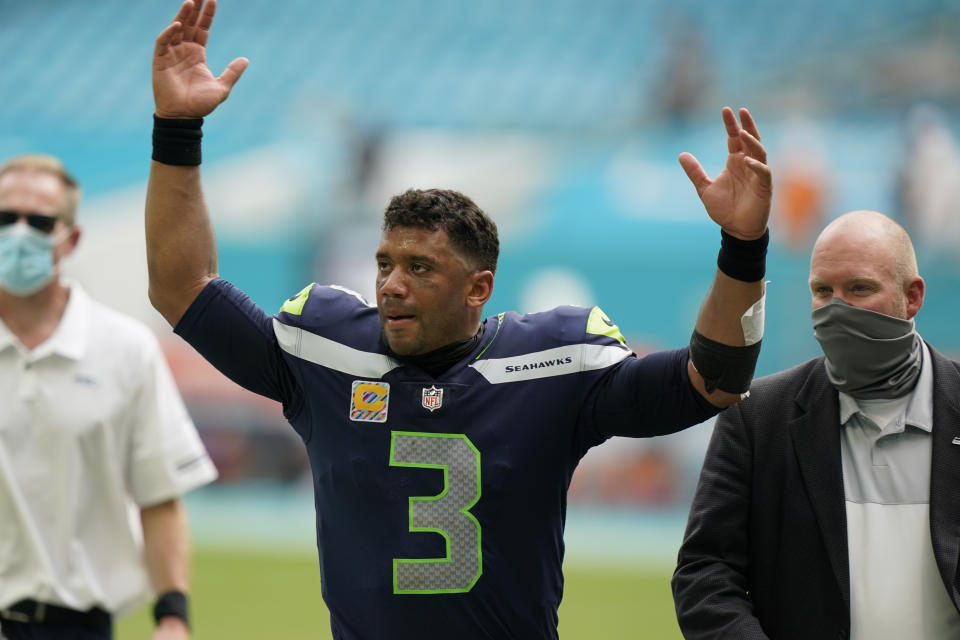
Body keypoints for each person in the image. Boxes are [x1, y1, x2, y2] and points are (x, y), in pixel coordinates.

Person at [146, 1, 771, 638]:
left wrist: (743, 248)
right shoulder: (327, 350)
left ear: (480, 288)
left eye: (420, 267)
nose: (390, 284)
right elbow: (181, 289)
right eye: (385, 262)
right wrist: (176, 128)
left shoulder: (552, 363)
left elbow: (714, 379)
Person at [672, 210, 960, 639]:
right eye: (823, 291)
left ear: (912, 296)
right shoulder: (756, 418)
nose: (838, 309)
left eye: (859, 288)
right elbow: (704, 574)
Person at [0, 154, 218, 640]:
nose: (18, 233)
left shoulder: (124, 349)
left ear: (70, 238)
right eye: (4, 218)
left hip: (75, 625)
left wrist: (173, 616)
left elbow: (158, 495)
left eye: (38, 221)